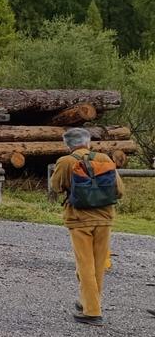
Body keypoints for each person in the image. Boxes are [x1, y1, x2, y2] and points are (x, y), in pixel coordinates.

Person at [50, 127, 124, 325]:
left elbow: (56, 187)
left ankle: (92, 311)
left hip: (79, 219)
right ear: (88, 141)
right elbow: (120, 190)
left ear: (68, 144)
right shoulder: (105, 159)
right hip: (105, 218)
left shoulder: (66, 161)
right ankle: (87, 301)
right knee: (98, 265)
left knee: (84, 265)